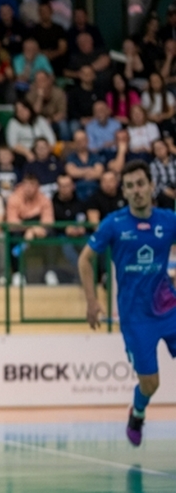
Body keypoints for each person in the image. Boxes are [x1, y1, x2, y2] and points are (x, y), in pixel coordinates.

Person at [79, 162, 176, 447]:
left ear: (151, 186)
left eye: (141, 184)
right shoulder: (114, 224)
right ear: (124, 191)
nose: (136, 190)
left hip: (168, 308)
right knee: (151, 383)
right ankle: (138, 412)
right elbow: (85, 259)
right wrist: (92, 301)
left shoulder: (168, 220)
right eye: (130, 186)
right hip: (135, 319)